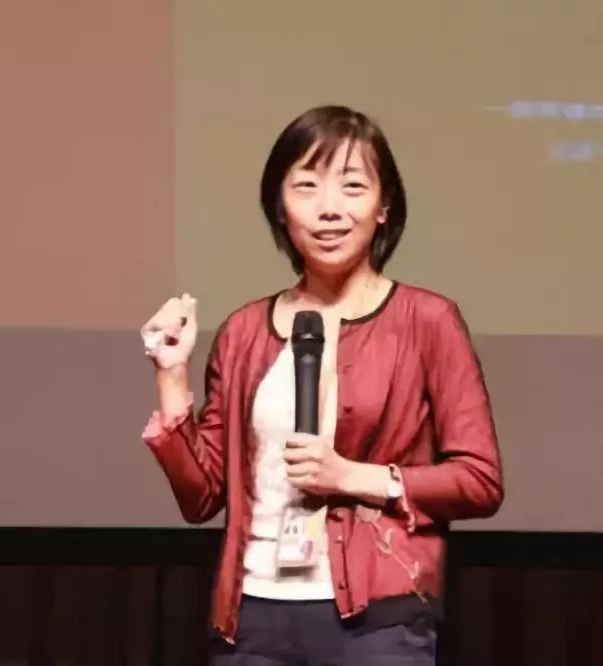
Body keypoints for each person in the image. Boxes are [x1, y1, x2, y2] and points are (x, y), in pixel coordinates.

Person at [139, 105, 503, 665]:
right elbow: (201, 497)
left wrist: (353, 476)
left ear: (384, 206)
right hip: (252, 618)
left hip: (378, 623)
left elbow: (479, 480)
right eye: (306, 187)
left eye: (352, 186)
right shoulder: (243, 331)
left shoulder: (427, 321)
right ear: (280, 208)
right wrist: (170, 373)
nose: (329, 208)